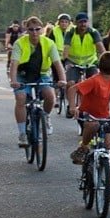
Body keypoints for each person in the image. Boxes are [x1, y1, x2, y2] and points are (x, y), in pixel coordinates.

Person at [67, 51, 110, 201]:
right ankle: (83, 148)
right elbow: (73, 89)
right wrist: (72, 107)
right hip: (88, 115)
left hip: (104, 117)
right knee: (93, 125)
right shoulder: (95, 80)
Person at [9, 16, 66, 145]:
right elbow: (14, 64)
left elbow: (57, 64)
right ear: (26, 30)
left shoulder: (49, 43)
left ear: (41, 29)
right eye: (31, 29)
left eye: (37, 29)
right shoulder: (19, 43)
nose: (34, 32)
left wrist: (63, 80)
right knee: (21, 98)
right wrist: (13, 80)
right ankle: (22, 133)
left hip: (41, 73)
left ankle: (45, 117)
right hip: (23, 74)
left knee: (50, 96)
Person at [63, 12, 105, 118]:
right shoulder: (70, 33)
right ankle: (71, 106)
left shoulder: (93, 32)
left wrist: (105, 60)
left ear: (88, 22)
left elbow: (101, 49)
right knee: (71, 83)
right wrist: (65, 61)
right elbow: (66, 49)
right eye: (81, 22)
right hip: (73, 62)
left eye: (85, 22)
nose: (83, 24)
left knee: (95, 84)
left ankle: (92, 105)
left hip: (90, 62)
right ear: (76, 23)